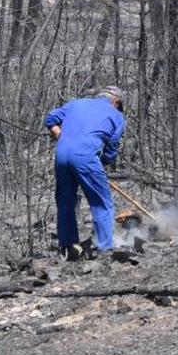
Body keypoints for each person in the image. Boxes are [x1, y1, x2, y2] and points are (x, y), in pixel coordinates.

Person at [44, 86, 126, 257]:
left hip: (62, 154)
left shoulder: (76, 103)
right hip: (86, 156)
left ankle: (68, 248)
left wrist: (62, 136)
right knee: (101, 202)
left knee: (65, 202)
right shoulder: (117, 116)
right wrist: (102, 164)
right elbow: (111, 149)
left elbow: (50, 119)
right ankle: (105, 249)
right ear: (116, 101)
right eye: (119, 106)